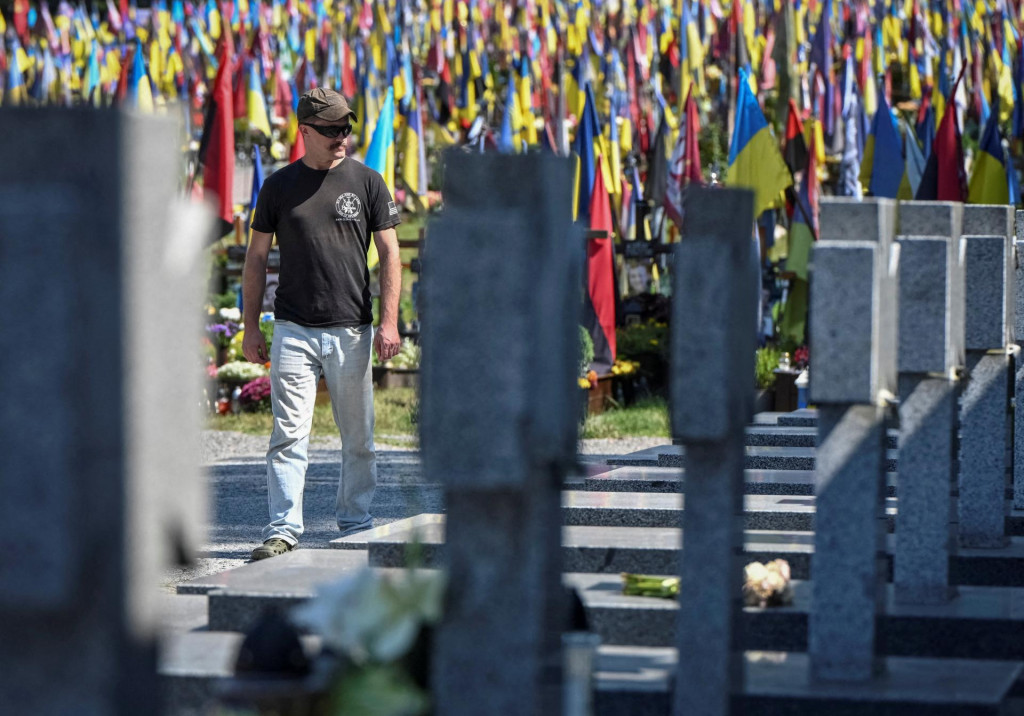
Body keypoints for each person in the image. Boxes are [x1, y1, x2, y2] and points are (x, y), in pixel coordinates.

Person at [242, 87, 402, 561]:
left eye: (345, 127)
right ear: (305, 132)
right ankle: (282, 531)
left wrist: (390, 322)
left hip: (352, 329)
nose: (342, 136)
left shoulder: (368, 181)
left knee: (359, 438)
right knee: (288, 436)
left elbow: (391, 253)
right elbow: (256, 258)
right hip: (293, 329)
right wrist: (251, 327)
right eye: (331, 129)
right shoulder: (278, 187)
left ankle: (355, 523)